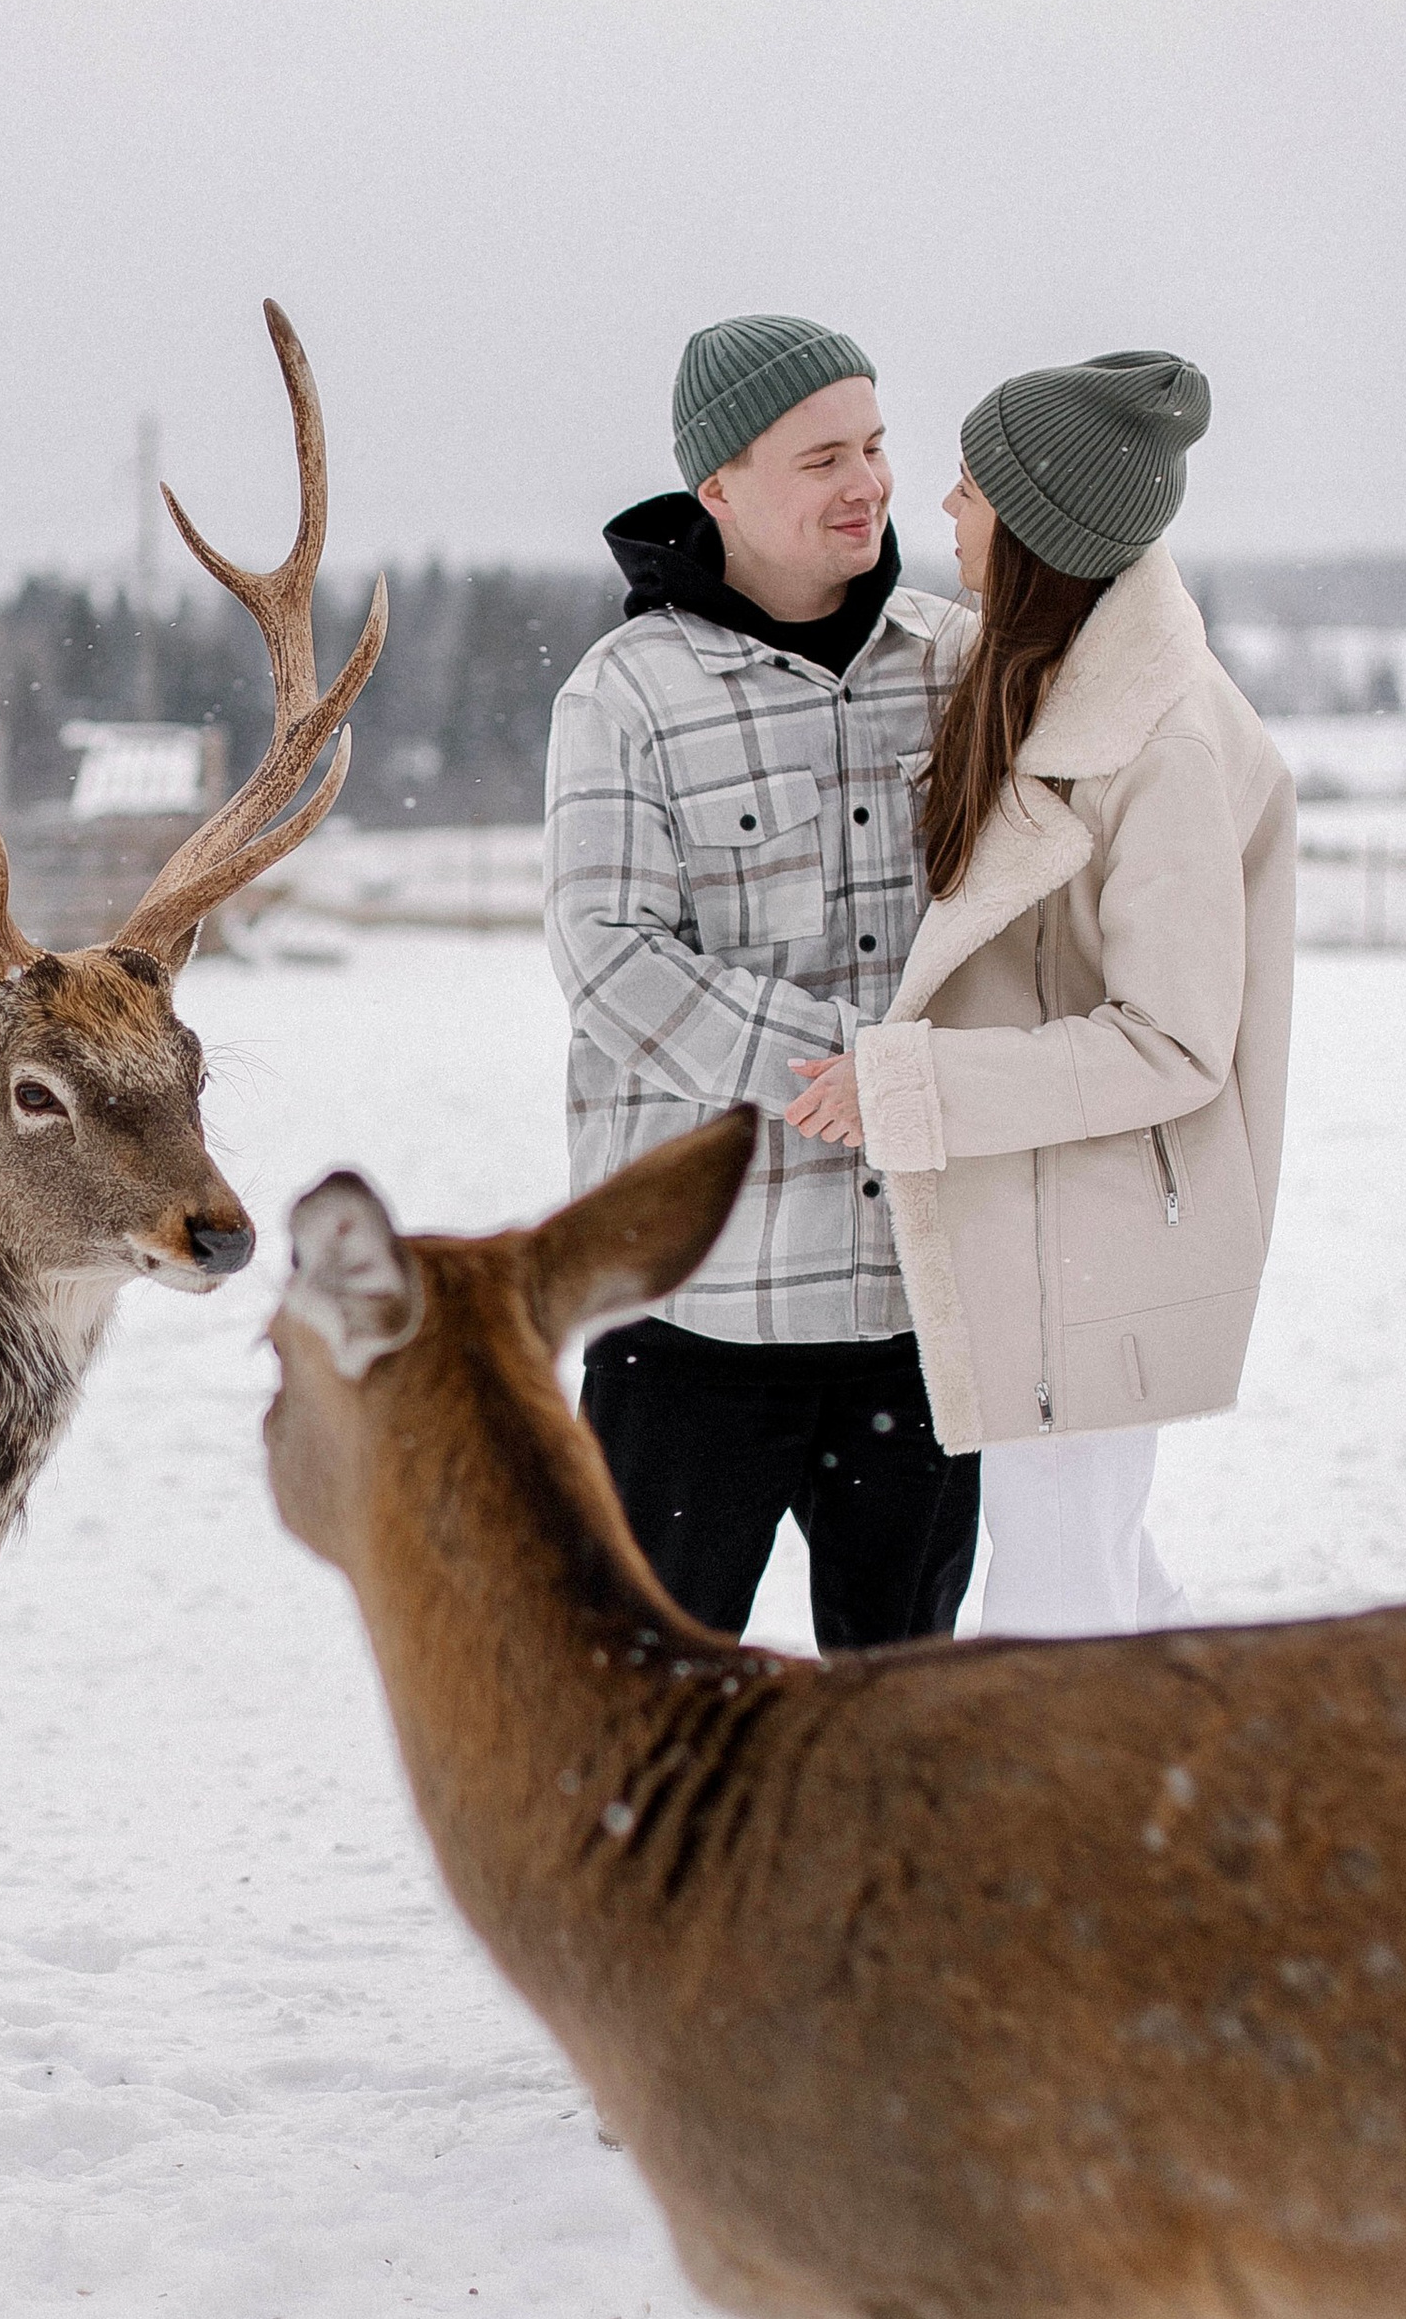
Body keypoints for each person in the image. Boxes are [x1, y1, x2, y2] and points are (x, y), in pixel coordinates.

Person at [786, 352, 1295, 1637]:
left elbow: (1172, 1044)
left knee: (1059, 1611)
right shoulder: (1049, 681)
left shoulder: (1161, 739)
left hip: (1098, 1235)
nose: (939, 511)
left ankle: (1097, 1841)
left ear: (1035, 532)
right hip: (1049, 1224)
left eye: (965, 490)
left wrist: (906, 1085)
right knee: (1105, 1570)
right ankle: (1245, 1792)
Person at [544, 314, 979, 1650]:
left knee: (901, 1725)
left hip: (918, 1309)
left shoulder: (953, 668)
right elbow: (611, 960)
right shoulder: (628, 697)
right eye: (821, 459)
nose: (867, 484)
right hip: (697, 1314)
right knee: (643, 1721)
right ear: (719, 488)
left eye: (875, 446)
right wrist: (844, 1070)